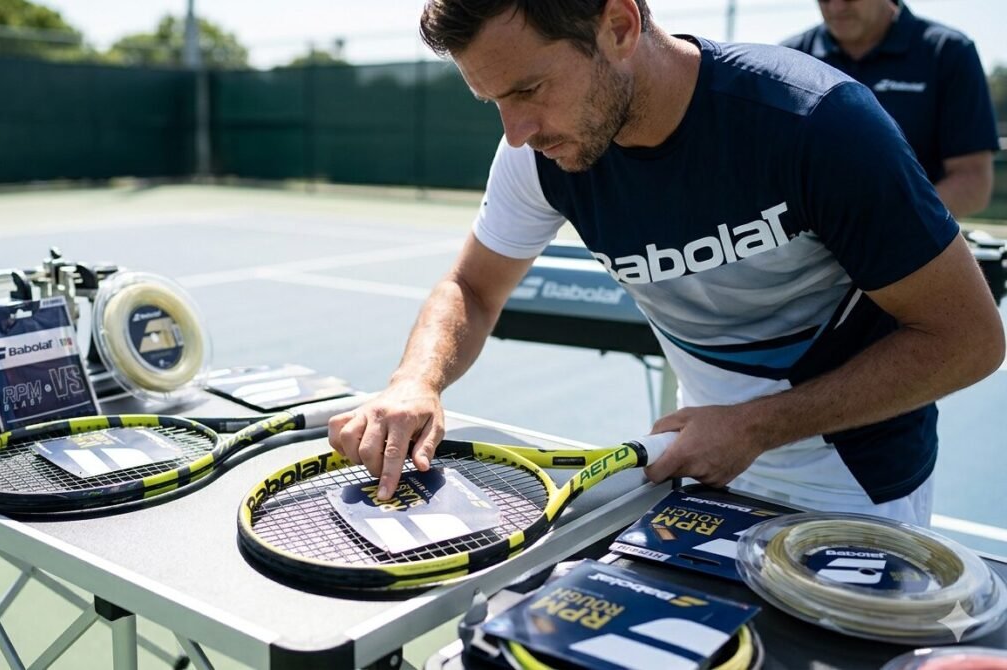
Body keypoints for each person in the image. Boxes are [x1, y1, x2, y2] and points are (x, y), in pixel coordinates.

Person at [327, 0, 1005, 524]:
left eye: (528, 89)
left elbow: (968, 339)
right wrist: (416, 380)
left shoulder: (818, 124)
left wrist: (755, 425)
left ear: (620, 24)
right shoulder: (537, 159)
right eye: (494, 100)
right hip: (702, 463)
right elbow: (471, 287)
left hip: (857, 488)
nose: (514, 130)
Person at [783, 0, 998, 219]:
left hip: (913, 244)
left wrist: (890, 227)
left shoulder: (948, 51)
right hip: (808, 242)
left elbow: (973, 180)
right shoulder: (788, 60)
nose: (836, 7)